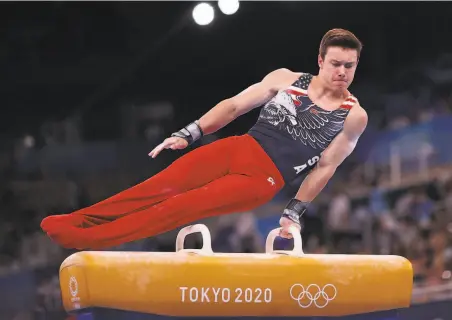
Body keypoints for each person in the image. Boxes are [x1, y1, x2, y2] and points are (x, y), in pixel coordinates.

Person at [41, 28, 368, 250]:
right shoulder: (287, 79)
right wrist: (192, 132)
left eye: (349, 66)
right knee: (158, 187)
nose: (342, 72)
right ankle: (76, 221)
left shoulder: (354, 116)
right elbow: (235, 106)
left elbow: (326, 166)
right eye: (336, 63)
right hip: (238, 146)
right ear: (321, 60)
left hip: (263, 179)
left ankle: (91, 239)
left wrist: (293, 211)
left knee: (179, 207)